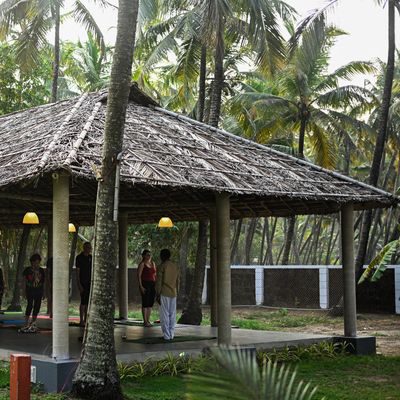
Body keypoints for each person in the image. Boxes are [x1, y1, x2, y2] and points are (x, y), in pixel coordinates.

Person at [156, 249, 180, 341]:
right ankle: (172, 334)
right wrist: (177, 291)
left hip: (164, 292)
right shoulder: (175, 266)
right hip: (174, 292)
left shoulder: (161, 266)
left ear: (162, 256)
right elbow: (178, 281)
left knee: (164, 314)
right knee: (172, 314)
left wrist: (157, 294)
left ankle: (166, 335)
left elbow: (159, 282)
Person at [21, 253, 45, 332]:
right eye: (35, 262)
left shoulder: (41, 270)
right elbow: (24, 281)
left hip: (39, 291)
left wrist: (44, 292)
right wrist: (23, 291)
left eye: (38, 262)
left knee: (37, 306)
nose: (36, 264)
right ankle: (26, 322)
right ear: (32, 262)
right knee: (30, 305)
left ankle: (33, 322)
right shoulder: (27, 270)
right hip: (30, 291)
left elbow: (43, 282)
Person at [137, 249, 156, 327]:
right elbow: (139, 276)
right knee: (145, 302)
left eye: (150, 255)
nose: (149, 256)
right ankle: (145, 321)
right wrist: (141, 286)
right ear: (144, 256)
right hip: (145, 284)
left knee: (150, 303)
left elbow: (155, 274)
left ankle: (148, 320)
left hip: (152, 284)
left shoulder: (153, 263)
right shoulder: (142, 264)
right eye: (147, 255)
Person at [76, 242, 92, 327]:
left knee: (88, 303)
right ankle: (81, 320)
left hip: (90, 282)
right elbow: (77, 272)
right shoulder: (79, 257)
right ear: (84, 248)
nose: (89, 249)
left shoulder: (91, 257)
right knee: (83, 301)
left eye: (90, 248)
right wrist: (79, 284)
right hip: (83, 282)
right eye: (88, 247)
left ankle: (86, 319)